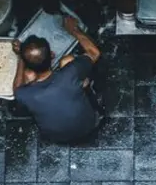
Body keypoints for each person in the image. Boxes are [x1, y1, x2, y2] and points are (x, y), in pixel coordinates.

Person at [12, 16, 103, 144]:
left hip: (56, 138)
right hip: (90, 124)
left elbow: (17, 88)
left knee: (30, 77)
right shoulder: (70, 73)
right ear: (52, 55)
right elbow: (94, 52)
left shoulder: (24, 94)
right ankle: (85, 87)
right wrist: (74, 29)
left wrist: (21, 57)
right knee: (67, 60)